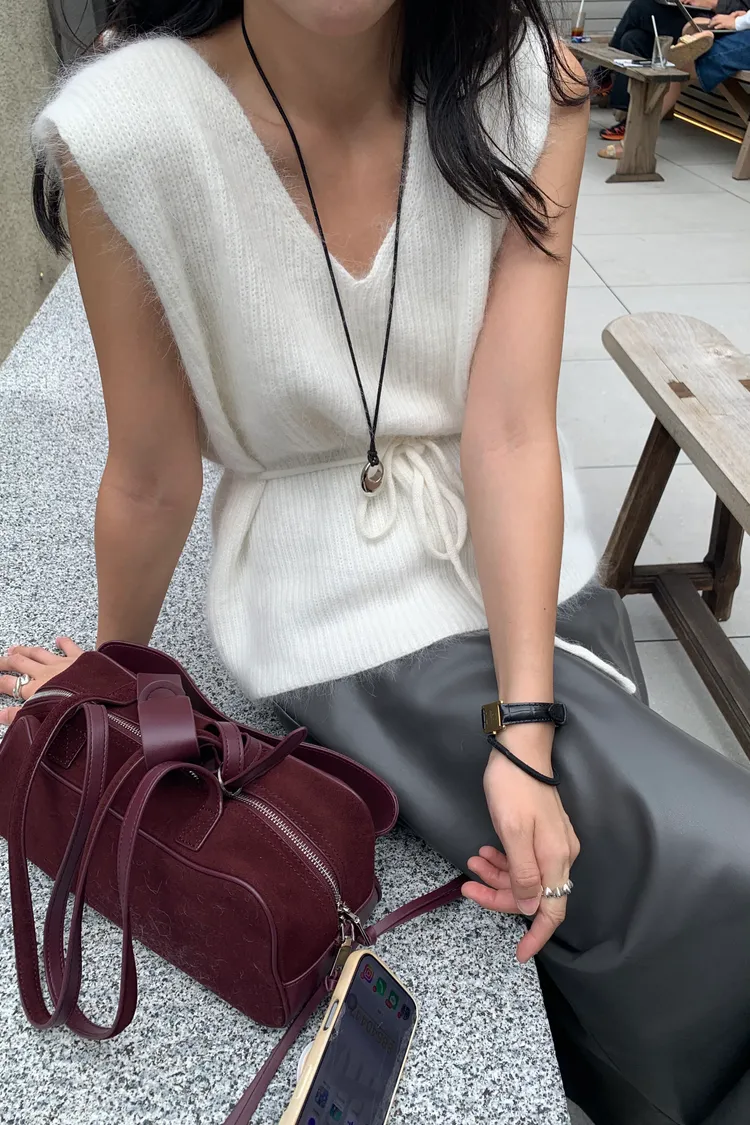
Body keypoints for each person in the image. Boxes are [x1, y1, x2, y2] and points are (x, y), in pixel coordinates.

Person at [1, 2, 750, 1123]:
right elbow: (152, 475)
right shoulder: (130, 133)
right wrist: (115, 690)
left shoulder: (525, 85)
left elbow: (510, 429)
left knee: (616, 899)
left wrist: (526, 729)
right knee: (719, 870)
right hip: (340, 615)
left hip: (532, 569)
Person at [594, 0, 741, 142]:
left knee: (639, 7)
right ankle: (630, 118)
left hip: (712, 26)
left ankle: (603, 74)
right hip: (690, 12)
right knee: (632, 39)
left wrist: (713, 3)